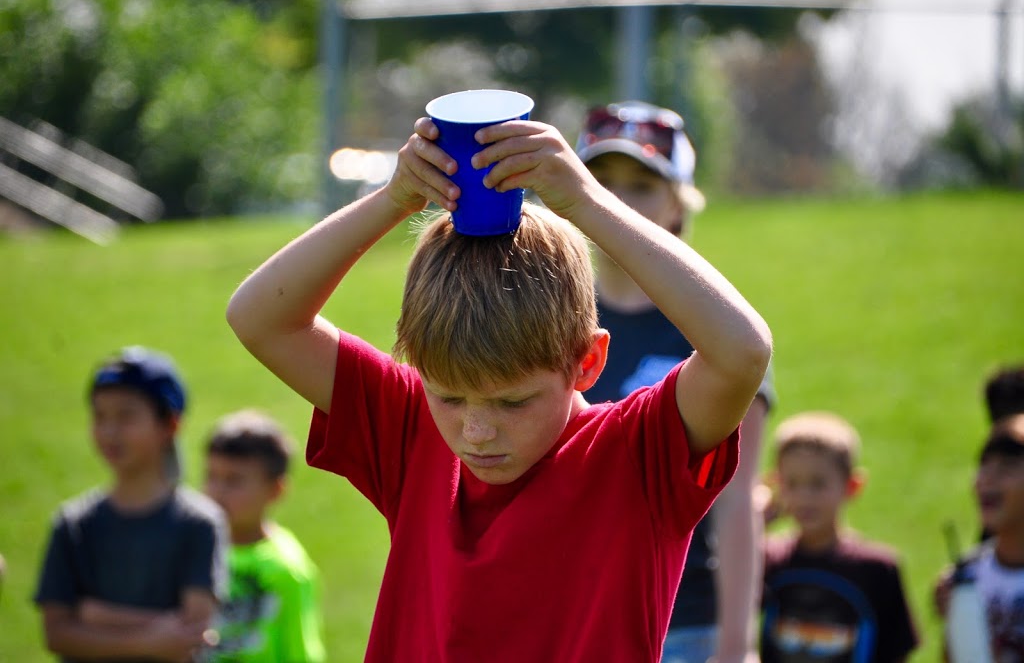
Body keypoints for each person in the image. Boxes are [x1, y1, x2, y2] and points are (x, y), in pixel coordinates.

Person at [226, 111, 772, 660]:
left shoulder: (636, 453)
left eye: (513, 401)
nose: (476, 432)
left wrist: (585, 201)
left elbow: (742, 351)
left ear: (587, 362)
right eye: (449, 396)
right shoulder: (411, 429)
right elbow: (259, 317)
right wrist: (395, 199)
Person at [576, 100, 774, 663]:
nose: (616, 201)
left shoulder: (717, 329)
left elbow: (738, 500)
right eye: (600, 182)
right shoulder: (546, 317)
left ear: (678, 204)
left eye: (641, 185)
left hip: (685, 623)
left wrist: (736, 644)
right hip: (572, 611)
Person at [34, 346, 228, 662]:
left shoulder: (200, 523)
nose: (109, 431)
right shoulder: (73, 523)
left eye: (126, 416)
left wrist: (95, 616)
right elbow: (56, 634)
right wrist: (151, 639)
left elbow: (191, 632)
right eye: (99, 416)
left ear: (170, 425)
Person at [758, 411, 919, 663]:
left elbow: (896, 650)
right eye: (792, 483)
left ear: (852, 485)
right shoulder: (768, 559)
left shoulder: (877, 568)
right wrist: (756, 525)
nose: (803, 497)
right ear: (775, 484)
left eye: (818, 484)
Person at [200, 409, 325, 662]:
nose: (217, 491)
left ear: (275, 489)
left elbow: (299, 652)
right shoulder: (189, 547)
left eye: (234, 481)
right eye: (211, 476)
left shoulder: (286, 570)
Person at [935, 414, 1024, 659]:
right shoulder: (967, 575)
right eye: (984, 464)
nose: (986, 478)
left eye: (1007, 467)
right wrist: (956, 620)